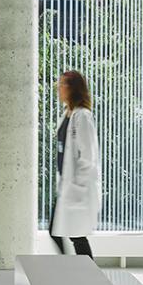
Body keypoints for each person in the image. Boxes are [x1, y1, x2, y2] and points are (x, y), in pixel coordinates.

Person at [49, 70, 101, 256]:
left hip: (78, 189)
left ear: (74, 89)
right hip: (68, 186)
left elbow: (88, 156)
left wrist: (77, 186)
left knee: (75, 236)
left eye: (63, 84)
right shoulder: (68, 114)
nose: (59, 88)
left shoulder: (82, 116)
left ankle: (86, 274)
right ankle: (75, 270)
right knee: (63, 233)